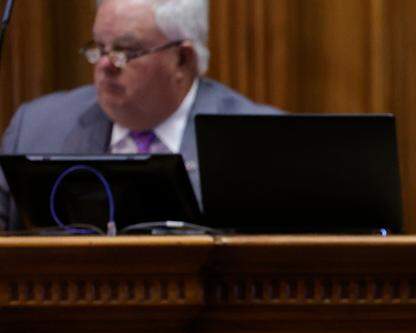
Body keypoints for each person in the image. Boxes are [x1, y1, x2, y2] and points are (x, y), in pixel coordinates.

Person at [0, 0, 279, 229]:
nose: (105, 65)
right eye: (98, 47)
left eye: (126, 51)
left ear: (183, 60)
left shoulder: (260, 144)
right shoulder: (36, 129)